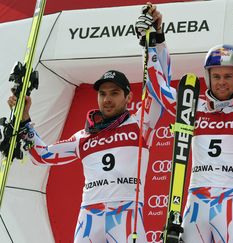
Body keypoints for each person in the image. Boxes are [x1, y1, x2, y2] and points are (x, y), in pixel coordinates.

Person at [134, 5, 233, 243]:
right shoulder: (191, 107)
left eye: (228, 76)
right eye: (216, 76)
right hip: (195, 202)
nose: (222, 83)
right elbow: (157, 87)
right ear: (208, 77)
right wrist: (154, 40)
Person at [7, 6, 168, 243]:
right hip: (89, 217)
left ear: (128, 97)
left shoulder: (140, 124)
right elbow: (43, 155)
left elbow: (159, 87)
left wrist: (157, 41)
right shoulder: (84, 137)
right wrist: (24, 122)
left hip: (126, 216)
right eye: (103, 93)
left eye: (114, 93)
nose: (108, 99)